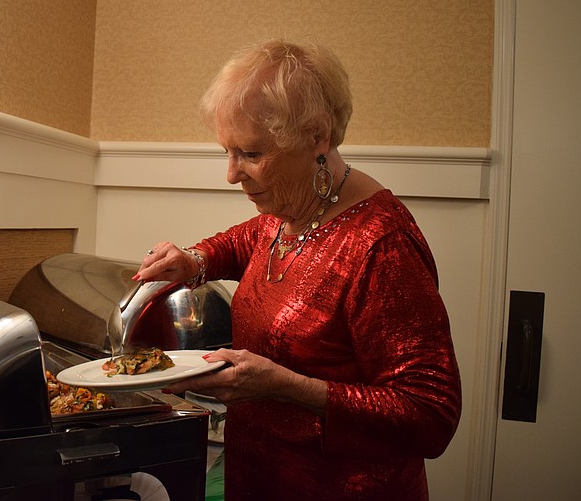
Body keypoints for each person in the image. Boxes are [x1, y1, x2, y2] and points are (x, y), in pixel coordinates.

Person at [134, 39, 461, 501]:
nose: (231, 174)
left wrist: (288, 387)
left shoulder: (383, 245)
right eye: (226, 151)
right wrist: (196, 260)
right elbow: (245, 240)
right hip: (258, 473)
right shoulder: (290, 207)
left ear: (317, 136)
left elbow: (431, 416)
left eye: (250, 153)